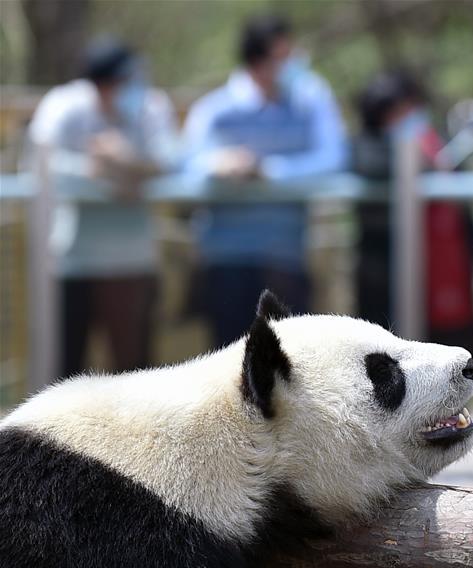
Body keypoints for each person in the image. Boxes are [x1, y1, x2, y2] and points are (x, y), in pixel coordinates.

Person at [183, 14, 346, 347]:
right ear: (258, 62)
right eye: (283, 56)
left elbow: (334, 158)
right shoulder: (215, 111)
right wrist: (218, 165)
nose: (294, 63)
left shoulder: (308, 100)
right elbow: (184, 164)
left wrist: (268, 171)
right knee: (228, 369)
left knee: (292, 367)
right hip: (225, 259)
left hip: (286, 257)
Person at [29, 37, 178, 377]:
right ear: (102, 84)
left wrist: (128, 162)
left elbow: (172, 159)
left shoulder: (152, 106)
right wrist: (98, 172)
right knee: (65, 372)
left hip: (134, 261)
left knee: (136, 373)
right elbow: (40, 164)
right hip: (74, 261)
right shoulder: (63, 106)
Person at [352, 69, 473, 366]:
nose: (409, 118)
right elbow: (371, 167)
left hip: (445, 280)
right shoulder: (367, 147)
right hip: (385, 283)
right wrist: (420, 165)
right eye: (397, 112)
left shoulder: (440, 144)